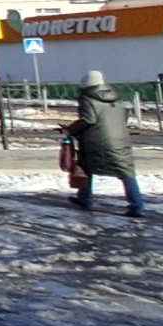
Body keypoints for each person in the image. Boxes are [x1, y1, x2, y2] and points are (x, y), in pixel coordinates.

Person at [65, 69, 144, 216]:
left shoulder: (88, 98)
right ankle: (137, 205)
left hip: (96, 141)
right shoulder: (116, 97)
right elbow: (123, 118)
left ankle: (85, 199)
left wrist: (70, 129)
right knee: (126, 172)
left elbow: (89, 120)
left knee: (86, 168)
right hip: (120, 139)